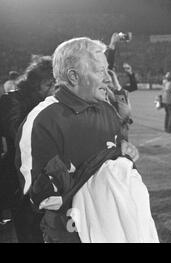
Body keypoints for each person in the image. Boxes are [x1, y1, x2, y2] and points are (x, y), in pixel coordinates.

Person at [15, 37, 139, 242]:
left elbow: (114, 170)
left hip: (113, 226)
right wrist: (103, 160)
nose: (108, 78)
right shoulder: (42, 121)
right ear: (74, 76)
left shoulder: (107, 110)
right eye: (100, 71)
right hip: (70, 232)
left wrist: (124, 156)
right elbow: (44, 199)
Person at [0, 56, 55, 242]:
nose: (57, 90)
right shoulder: (12, 100)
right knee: (30, 232)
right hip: (20, 181)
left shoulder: (52, 103)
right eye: (52, 84)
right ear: (40, 83)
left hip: (50, 178)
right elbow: (20, 136)